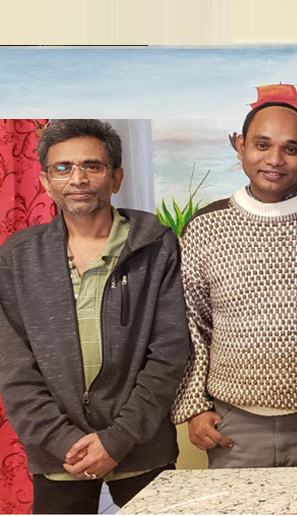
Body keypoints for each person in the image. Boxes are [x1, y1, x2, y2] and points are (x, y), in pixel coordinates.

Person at [0, 119, 188, 513]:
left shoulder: (157, 246)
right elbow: (13, 367)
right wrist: (62, 441)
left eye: (92, 166)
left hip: (142, 445)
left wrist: (117, 440)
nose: (78, 179)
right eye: (63, 168)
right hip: (59, 454)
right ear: (46, 181)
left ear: (116, 177)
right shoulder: (17, 257)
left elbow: (169, 354)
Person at [171, 102, 297, 467]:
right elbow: (191, 324)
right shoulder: (206, 227)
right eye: (262, 145)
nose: (275, 159)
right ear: (241, 146)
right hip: (234, 426)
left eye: (291, 148)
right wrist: (195, 406)